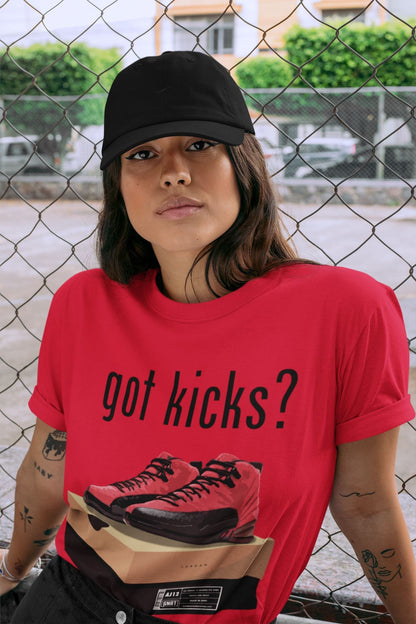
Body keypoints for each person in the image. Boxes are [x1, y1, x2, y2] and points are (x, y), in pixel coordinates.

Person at [0, 50, 415, 624]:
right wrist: (11, 573)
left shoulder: (347, 310)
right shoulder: (84, 303)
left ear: (244, 164)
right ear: (119, 187)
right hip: (65, 603)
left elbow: (365, 504)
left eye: (199, 144)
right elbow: (48, 470)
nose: (173, 172)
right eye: (142, 154)